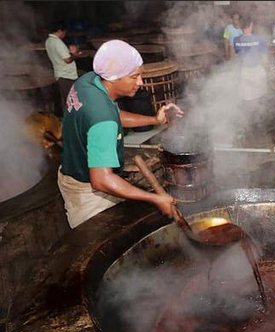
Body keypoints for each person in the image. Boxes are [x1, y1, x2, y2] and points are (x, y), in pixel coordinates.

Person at [57, 39, 184, 229]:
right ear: (114, 78)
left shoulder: (88, 81)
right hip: (88, 195)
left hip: (72, 172)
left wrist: (154, 120)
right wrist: (155, 198)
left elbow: (114, 115)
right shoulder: (103, 119)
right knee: (100, 249)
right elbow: (101, 180)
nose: (140, 83)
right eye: (134, 77)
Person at [233, 16, 270, 145]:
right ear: (251, 24)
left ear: (240, 26)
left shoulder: (236, 40)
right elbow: (265, 59)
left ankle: (249, 130)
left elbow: (237, 57)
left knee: (247, 101)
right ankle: (260, 130)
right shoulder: (260, 39)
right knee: (260, 101)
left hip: (245, 72)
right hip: (257, 71)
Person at [45, 23, 83, 115]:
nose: (64, 34)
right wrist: (75, 55)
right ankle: (71, 121)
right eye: (64, 32)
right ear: (59, 31)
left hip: (59, 73)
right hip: (67, 75)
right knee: (71, 101)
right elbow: (67, 60)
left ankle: (66, 120)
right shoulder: (57, 42)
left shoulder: (48, 41)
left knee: (66, 100)